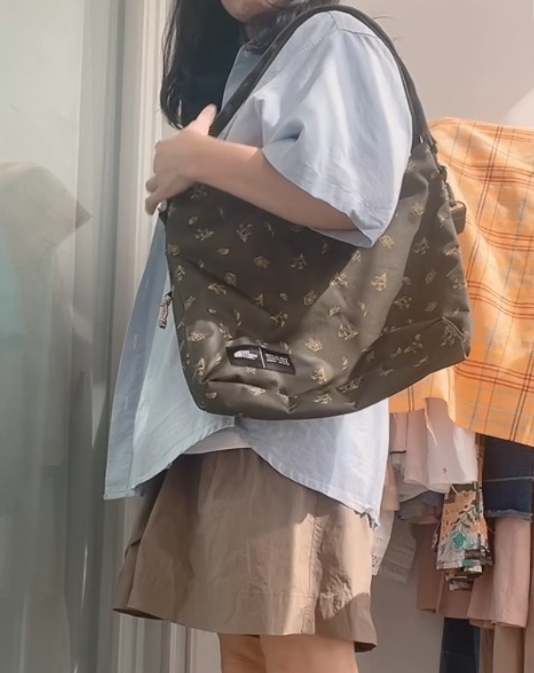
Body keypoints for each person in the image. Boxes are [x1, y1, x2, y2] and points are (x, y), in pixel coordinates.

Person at [104, 1, 413, 672]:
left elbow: (351, 195)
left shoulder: (333, 35)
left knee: (293, 641)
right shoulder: (257, 58)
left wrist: (201, 158)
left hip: (282, 417)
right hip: (234, 408)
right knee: (252, 646)